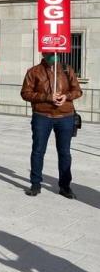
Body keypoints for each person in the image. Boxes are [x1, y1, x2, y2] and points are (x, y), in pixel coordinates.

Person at [21, 52, 82, 198]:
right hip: (42, 116)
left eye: (56, 52)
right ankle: (35, 184)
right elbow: (25, 93)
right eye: (49, 52)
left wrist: (66, 96)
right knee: (38, 151)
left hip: (65, 116)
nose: (53, 55)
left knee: (65, 152)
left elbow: (78, 91)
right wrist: (47, 97)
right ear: (43, 53)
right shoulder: (34, 71)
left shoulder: (67, 69)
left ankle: (65, 186)